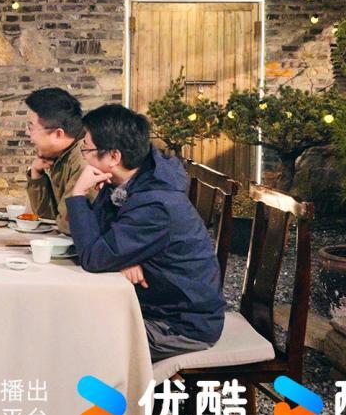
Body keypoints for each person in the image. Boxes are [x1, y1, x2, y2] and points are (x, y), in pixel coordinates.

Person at [63, 104, 226, 362]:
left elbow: (93, 257)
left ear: (113, 156)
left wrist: (78, 194)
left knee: (76, 341)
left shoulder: (155, 203)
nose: (84, 158)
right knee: (68, 318)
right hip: (152, 305)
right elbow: (100, 241)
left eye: (87, 149)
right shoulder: (131, 182)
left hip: (179, 325)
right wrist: (123, 259)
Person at [23, 87, 87, 235]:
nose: (27, 133)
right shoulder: (60, 154)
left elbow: (68, 225)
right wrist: (37, 175)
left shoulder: (84, 159)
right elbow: (49, 218)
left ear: (58, 134)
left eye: (31, 127)